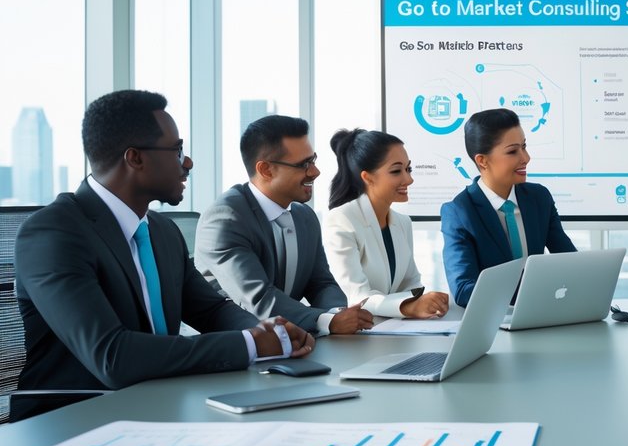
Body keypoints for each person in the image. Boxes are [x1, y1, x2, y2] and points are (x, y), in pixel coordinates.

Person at [15, 90, 313, 397]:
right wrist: (249, 344)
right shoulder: (53, 234)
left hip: (160, 403)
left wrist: (270, 332)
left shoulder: (163, 232)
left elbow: (211, 311)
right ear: (135, 158)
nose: (188, 162)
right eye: (176, 150)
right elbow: (112, 355)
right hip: (72, 419)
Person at [195, 116, 372, 335]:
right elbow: (258, 298)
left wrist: (339, 312)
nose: (315, 172)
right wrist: (327, 321)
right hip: (236, 345)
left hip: (292, 339)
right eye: (303, 165)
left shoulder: (304, 216)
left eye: (313, 160)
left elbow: (321, 283)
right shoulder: (225, 218)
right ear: (266, 170)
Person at [441, 108, 576, 308]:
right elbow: (463, 289)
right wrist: (530, 295)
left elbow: (570, 263)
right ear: (482, 160)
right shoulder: (459, 212)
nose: (526, 158)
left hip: (540, 317)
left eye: (524, 147)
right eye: (513, 151)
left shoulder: (539, 198)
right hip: (494, 326)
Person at [322, 128, 449, 319]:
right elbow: (357, 297)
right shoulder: (341, 220)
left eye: (408, 169)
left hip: (395, 329)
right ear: (367, 177)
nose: (409, 179)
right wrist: (409, 307)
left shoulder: (402, 222)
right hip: (356, 334)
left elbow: (411, 283)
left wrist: (428, 302)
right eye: (397, 171)